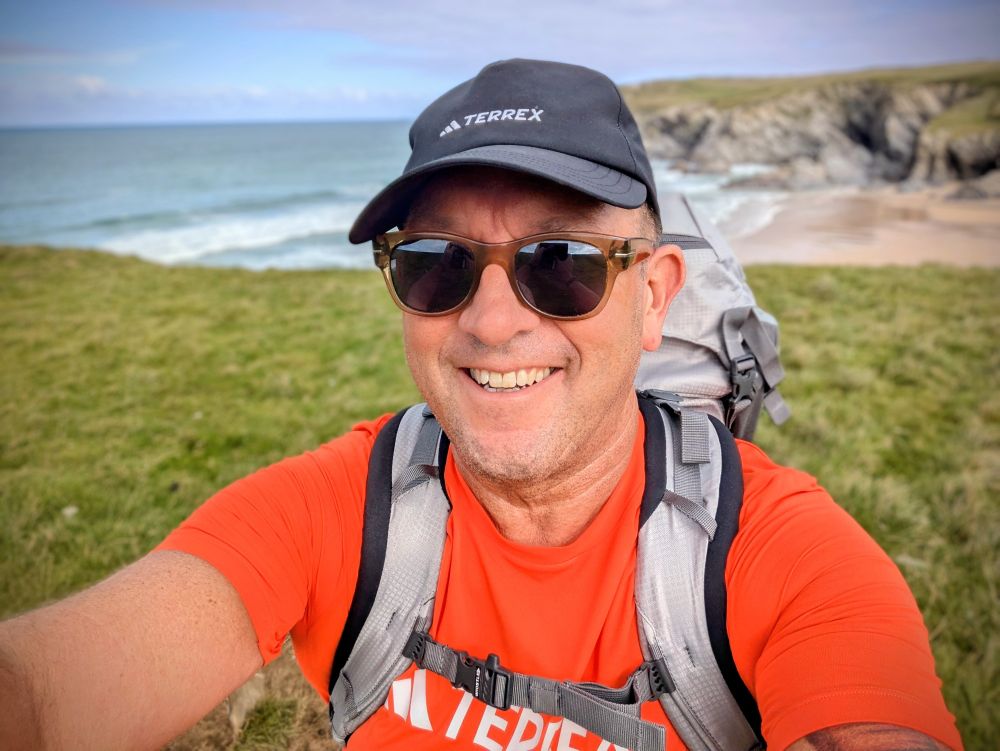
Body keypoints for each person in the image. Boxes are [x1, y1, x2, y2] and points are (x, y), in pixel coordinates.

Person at [0, 59, 962, 751]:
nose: (491, 323)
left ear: (657, 294)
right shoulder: (336, 512)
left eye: (564, 263)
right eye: (436, 263)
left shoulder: (784, 556)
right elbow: (44, 692)